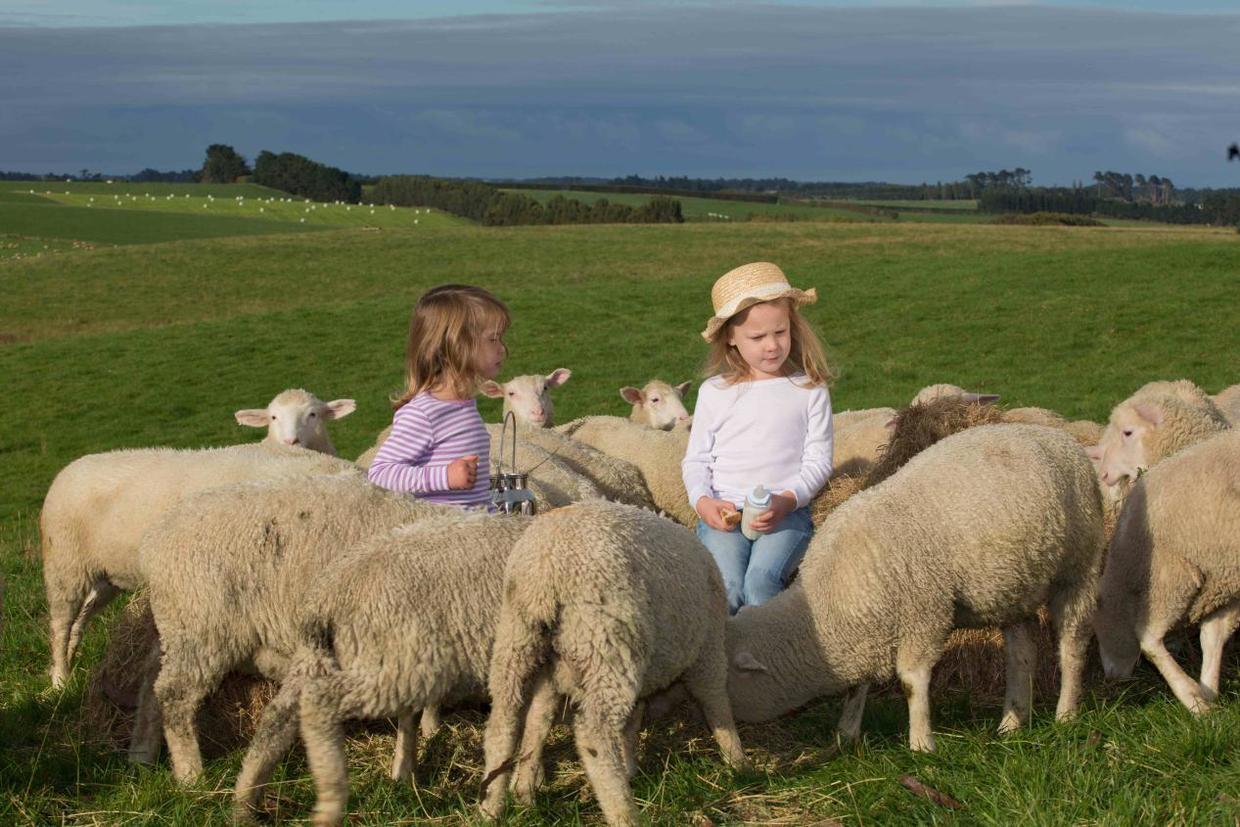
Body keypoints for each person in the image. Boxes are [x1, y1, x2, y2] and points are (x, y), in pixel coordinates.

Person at [682, 262, 833, 614]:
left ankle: (768, 665)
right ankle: (726, 666)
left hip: (785, 513)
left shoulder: (809, 389)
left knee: (761, 583)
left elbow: (818, 460)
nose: (772, 346)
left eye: (780, 332)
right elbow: (697, 459)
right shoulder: (715, 392)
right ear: (730, 337)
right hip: (723, 511)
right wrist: (703, 503)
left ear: (793, 327)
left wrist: (787, 500)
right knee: (727, 587)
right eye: (757, 337)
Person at [367, 284, 509, 510]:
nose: (502, 348)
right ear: (456, 346)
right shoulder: (424, 412)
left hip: (479, 529)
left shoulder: (463, 405)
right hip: (442, 535)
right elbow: (380, 473)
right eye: (493, 339)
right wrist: (444, 476)